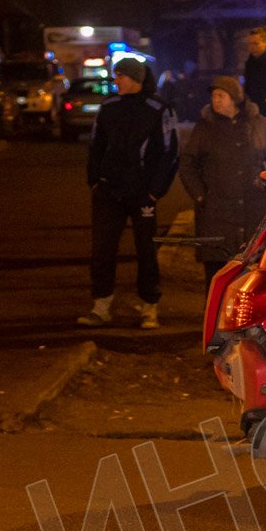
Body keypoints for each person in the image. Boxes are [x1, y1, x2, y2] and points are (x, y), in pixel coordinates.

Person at [79, 58, 179, 329]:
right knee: (102, 250)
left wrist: (155, 191)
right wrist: (95, 181)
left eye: (120, 76)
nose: (116, 81)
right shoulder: (109, 107)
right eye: (116, 76)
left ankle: (149, 307)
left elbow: (169, 153)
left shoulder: (158, 109)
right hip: (109, 190)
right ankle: (101, 306)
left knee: (146, 251)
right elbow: (96, 145)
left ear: (135, 78)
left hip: (142, 193)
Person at [178, 76, 266, 289]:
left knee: (251, 270)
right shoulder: (205, 128)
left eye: (221, 95)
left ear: (235, 98)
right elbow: (187, 164)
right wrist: (201, 195)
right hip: (216, 212)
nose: (216, 100)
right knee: (217, 272)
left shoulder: (258, 124)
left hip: (253, 209)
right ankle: (215, 317)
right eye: (213, 96)